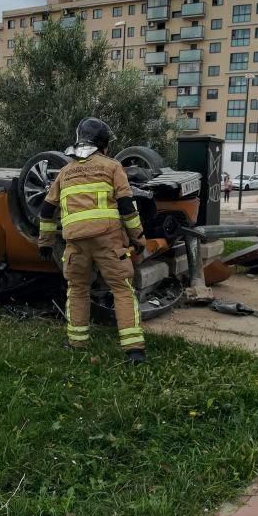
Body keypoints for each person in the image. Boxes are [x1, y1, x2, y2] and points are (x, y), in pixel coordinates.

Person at [37, 117, 148, 364]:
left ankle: (77, 342)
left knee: (77, 289)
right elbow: (127, 207)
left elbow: (46, 210)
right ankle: (134, 351)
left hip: (75, 243)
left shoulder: (65, 172)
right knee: (121, 289)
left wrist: (45, 243)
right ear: (104, 145)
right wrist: (138, 238)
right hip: (107, 240)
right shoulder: (112, 166)